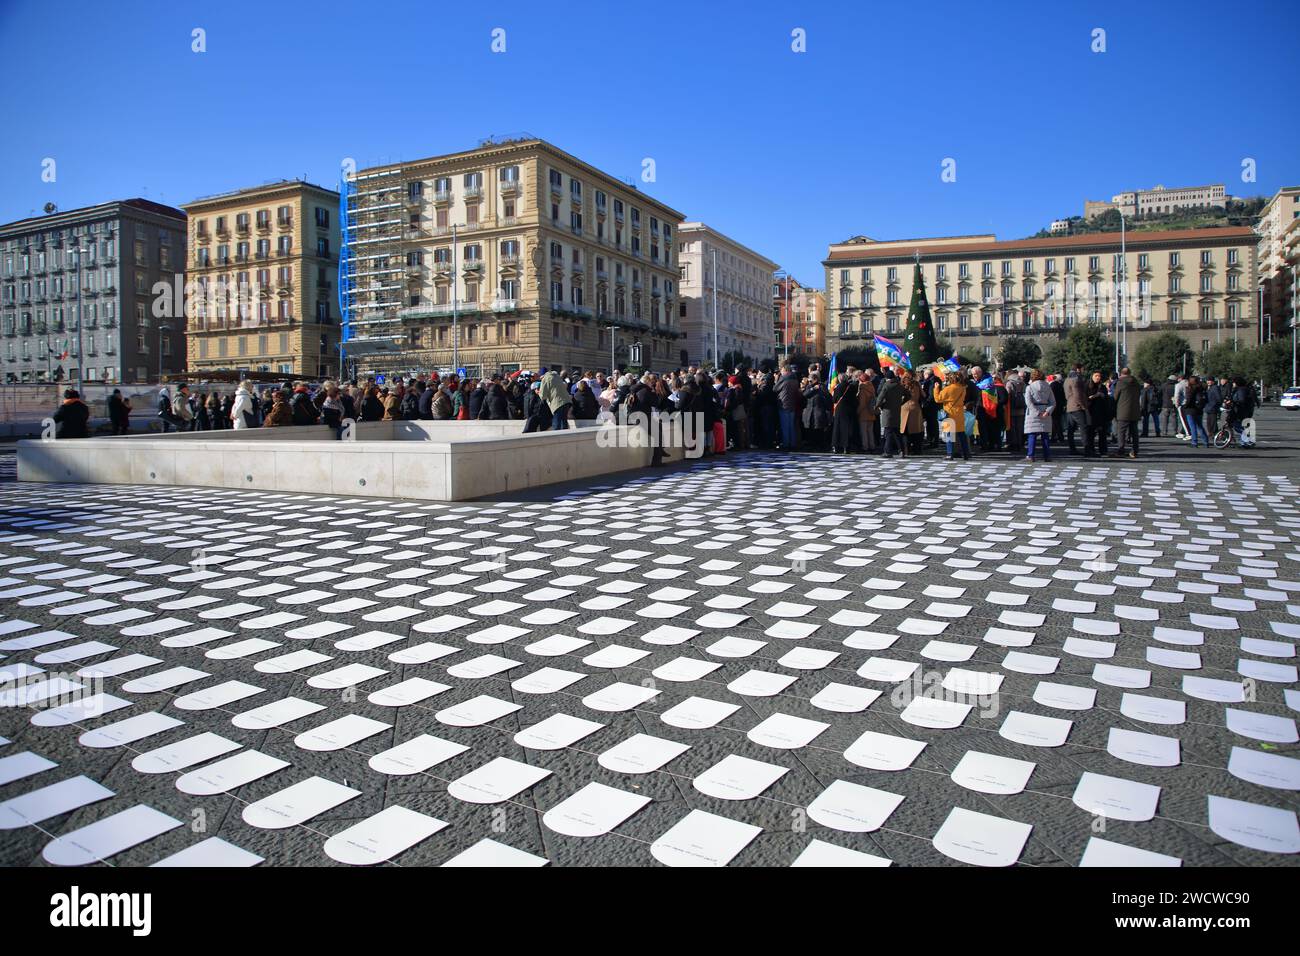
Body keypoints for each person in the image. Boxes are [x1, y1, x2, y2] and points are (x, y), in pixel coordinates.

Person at [931, 372, 971, 461]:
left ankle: (950, 454)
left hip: (949, 413)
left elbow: (938, 399)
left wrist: (936, 388)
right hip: (959, 413)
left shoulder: (948, 389)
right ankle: (966, 453)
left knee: (949, 435)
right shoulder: (963, 388)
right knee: (961, 434)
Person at [1023, 369, 1055, 461]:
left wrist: (1037, 412)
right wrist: (1047, 412)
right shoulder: (1048, 387)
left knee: (1032, 434)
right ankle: (1047, 455)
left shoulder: (1030, 387)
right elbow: (1053, 402)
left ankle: (1030, 455)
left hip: (1033, 413)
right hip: (1045, 410)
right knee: (1045, 435)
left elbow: (1028, 402)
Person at [1112, 366, 1141, 459]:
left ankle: (1121, 450)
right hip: (1135, 411)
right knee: (1134, 432)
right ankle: (1135, 451)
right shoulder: (1136, 383)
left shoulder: (1120, 383)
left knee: (1121, 432)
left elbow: (1115, 397)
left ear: (1121, 374)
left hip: (1123, 411)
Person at [873, 370, 903, 458]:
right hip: (897, 411)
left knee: (888, 432)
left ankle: (887, 451)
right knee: (896, 432)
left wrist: (877, 406)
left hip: (887, 411)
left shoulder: (887, 385)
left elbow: (880, 397)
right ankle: (901, 450)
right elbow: (908, 395)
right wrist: (901, 403)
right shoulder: (899, 385)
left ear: (886, 378)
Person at [830, 370, 859, 454]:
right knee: (847, 428)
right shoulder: (851, 387)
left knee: (837, 428)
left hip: (839, 410)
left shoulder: (837, 387)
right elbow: (854, 399)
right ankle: (846, 447)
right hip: (849, 409)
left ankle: (836, 446)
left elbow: (834, 400)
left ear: (839, 379)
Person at [1064, 364, 1090, 455]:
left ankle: (1072, 449)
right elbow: (1077, 395)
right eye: (1083, 369)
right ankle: (1087, 449)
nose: (1083, 371)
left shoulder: (1067, 379)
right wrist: (1083, 406)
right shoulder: (1076, 379)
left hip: (1069, 406)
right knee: (1084, 427)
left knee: (1071, 429)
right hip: (1077, 406)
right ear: (1078, 369)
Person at [775, 363, 800, 450]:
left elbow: (775, 389)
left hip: (784, 404)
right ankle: (793, 443)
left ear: (785, 370)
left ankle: (786, 444)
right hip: (792, 404)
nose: (781, 373)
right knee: (791, 425)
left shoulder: (783, 379)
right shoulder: (795, 379)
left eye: (781, 371)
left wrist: (776, 379)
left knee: (785, 425)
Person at [1086, 372, 1111, 456]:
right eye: (1096, 376)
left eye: (1099, 376)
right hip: (1090, 412)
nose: (1098, 377)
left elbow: (1106, 400)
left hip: (1101, 413)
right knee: (1091, 433)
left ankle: (1103, 449)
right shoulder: (1087, 386)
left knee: (1102, 433)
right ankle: (1090, 449)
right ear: (1092, 377)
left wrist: (1102, 395)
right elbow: (1085, 398)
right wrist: (1094, 396)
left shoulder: (1102, 387)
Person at [898, 369, 923, 456]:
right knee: (916, 430)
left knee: (904, 430)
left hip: (904, 408)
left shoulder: (902, 384)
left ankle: (905, 450)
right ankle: (917, 450)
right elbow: (923, 395)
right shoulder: (917, 384)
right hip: (915, 408)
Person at [1183, 375, 1208, 447]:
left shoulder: (1190, 389)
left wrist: (1185, 406)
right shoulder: (1201, 388)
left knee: (1192, 427)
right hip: (1199, 409)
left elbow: (1189, 399)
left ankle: (1194, 442)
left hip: (1190, 409)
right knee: (1200, 426)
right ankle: (1205, 441)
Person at [856, 370, 877, 453]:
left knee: (864, 431)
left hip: (864, 413)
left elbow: (862, 403)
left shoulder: (862, 389)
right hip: (871, 412)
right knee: (870, 431)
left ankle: (865, 446)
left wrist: (858, 411)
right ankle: (872, 445)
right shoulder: (871, 387)